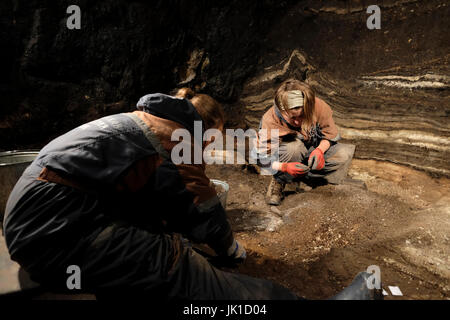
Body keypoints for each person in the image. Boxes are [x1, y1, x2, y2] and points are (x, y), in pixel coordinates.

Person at [2, 88, 301, 300]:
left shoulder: (142, 121)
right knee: (175, 261)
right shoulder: (174, 140)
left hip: (39, 224)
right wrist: (230, 249)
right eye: (212, 139)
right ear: (205, 129)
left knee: (148, 242)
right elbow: (205, 211)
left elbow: (145, 195)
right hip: (52, 235)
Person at [257, 79, 356, 206]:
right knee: (294, 148)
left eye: (302, 116)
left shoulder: (319, 107)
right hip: (290, 153)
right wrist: (284, 167)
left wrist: (320, 151)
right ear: (283, 111)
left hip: (311, 149)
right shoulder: (270, 120)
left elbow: (329, 135)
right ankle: (280, 180)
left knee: (343, 154)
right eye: (293, 118)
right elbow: (261, 159)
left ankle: (305, 179)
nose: (298, 122)